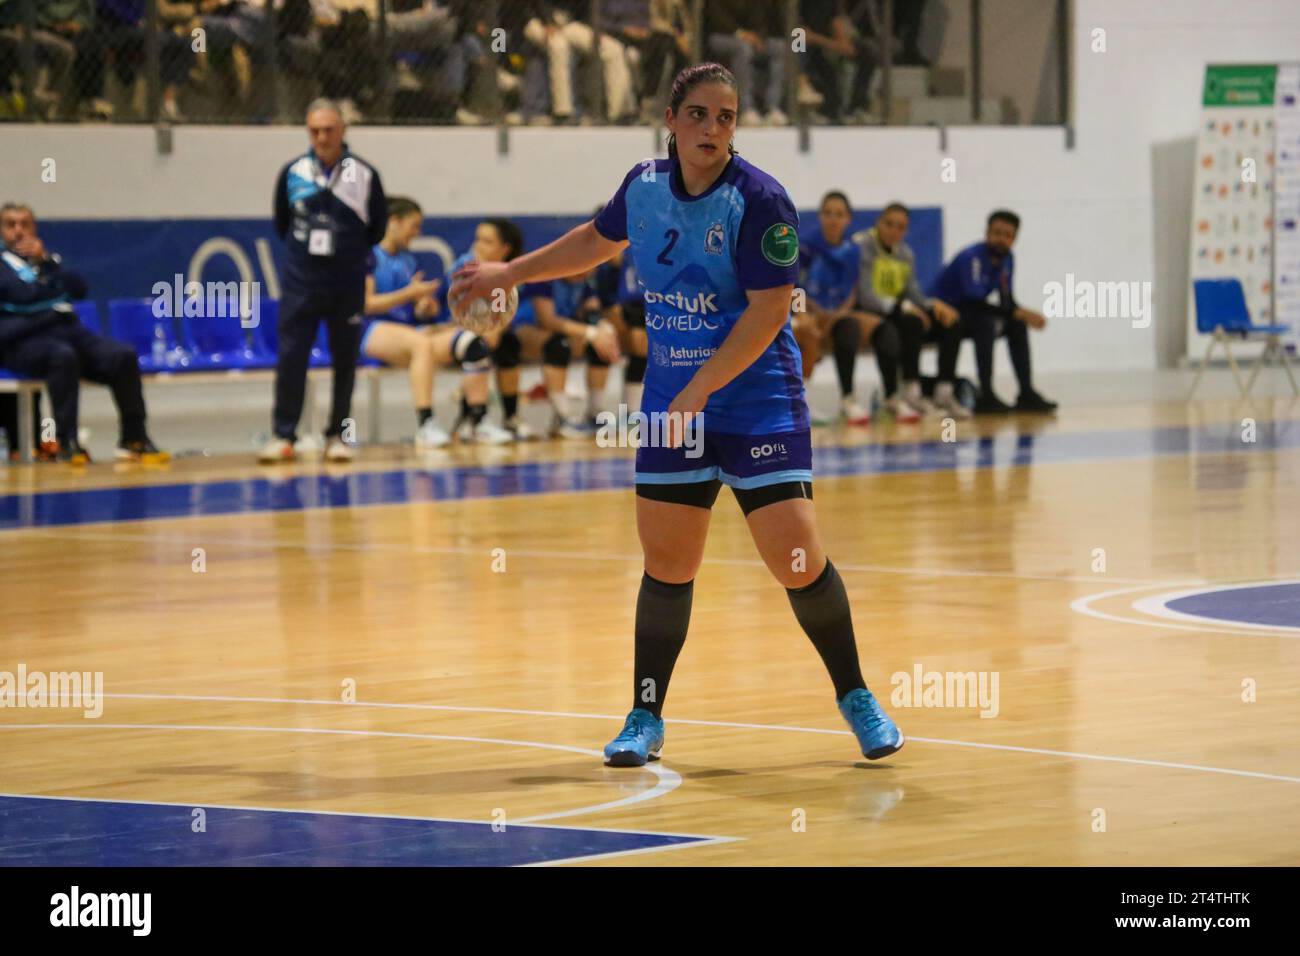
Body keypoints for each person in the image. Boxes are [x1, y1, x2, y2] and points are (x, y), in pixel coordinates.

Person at [452, 62, 904, 767]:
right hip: (672, 402)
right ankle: (645, 715)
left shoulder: (761, 202)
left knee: (795, 559)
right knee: (668, 564)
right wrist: (510, 273)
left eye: (726, 117)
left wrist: (703, 387)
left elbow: (767, 314)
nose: (712, 129)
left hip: (756, 402)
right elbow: (595, 242)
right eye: (698, 114)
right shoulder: (644, 187)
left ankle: (855, 696)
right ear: (670, 118)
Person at [262, 98, 386, 463]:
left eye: (329, 129)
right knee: (291, 358)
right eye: (315, 130)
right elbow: (282, 224)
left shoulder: (364, 174)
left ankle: (338, 435)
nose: (322, 137)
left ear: (343, 130)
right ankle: (284, 434)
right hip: (301, 283)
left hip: (346, 283)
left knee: (345, 360)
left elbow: (376, 228)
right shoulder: (293, 172)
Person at [0, 203, 168, 464]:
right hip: (21, 341)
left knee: (122, 356)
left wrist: (47, 265)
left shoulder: (46, 262)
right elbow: (23, 297)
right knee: (62, 357)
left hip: (66, 331)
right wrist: (54, 303)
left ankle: (134, 438)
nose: (19, 231)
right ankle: (68, 442)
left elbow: (78, 287)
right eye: (11, 225)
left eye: (25, 224)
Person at [362, 197, 510, 449]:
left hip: (407, 331)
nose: (417, 233)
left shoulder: (407, 259)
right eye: (414, 225)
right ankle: (426, 425)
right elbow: (365, 304)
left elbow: (410, 307)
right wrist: (409, 294)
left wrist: (422, 307)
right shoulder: (368, 255)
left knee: (472, 342)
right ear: (394, 222)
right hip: (369, 330)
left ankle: (478, 421)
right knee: (421, 344)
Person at [929, 210, 1057, 414]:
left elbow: (1006, 300)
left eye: (1008, 235)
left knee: (1016, 325)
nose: (1001, 239)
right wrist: (1015, 312)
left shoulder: (1007, 260)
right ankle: (985, 394)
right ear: (987, 233)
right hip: (942, 314)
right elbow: (972, 300)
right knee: (986, 323)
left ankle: (1026, 391)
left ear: (1014, 239)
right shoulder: (972, 257)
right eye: (997, 233)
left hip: (968, 313)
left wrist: (1024, 313)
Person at [852, 202, 968, 419]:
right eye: (889, 224)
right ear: (879, 222)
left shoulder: (905, 253)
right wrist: (904, 307)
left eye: (900, 227)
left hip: (899, 310)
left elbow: (913, 290)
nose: (894, 230)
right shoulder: (862, 246)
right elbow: (864, 294)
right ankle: (911, 391)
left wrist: (932, 305)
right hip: (870, 311)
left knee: (951, 321)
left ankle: (944, 391)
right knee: (912, 321)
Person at [793, 190, 872, 425]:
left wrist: (839, 314)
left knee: (852, 326)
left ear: (848, 219)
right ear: (820, 217)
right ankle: (798, 405)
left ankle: (849, 399)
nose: (833, 219)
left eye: (839, 214)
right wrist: (801, 312)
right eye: (827, 213)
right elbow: (790, 284)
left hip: (835, 314)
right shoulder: (805, 245)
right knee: (807, 333)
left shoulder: (853, 251)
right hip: (803, 310)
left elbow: (852, 288)